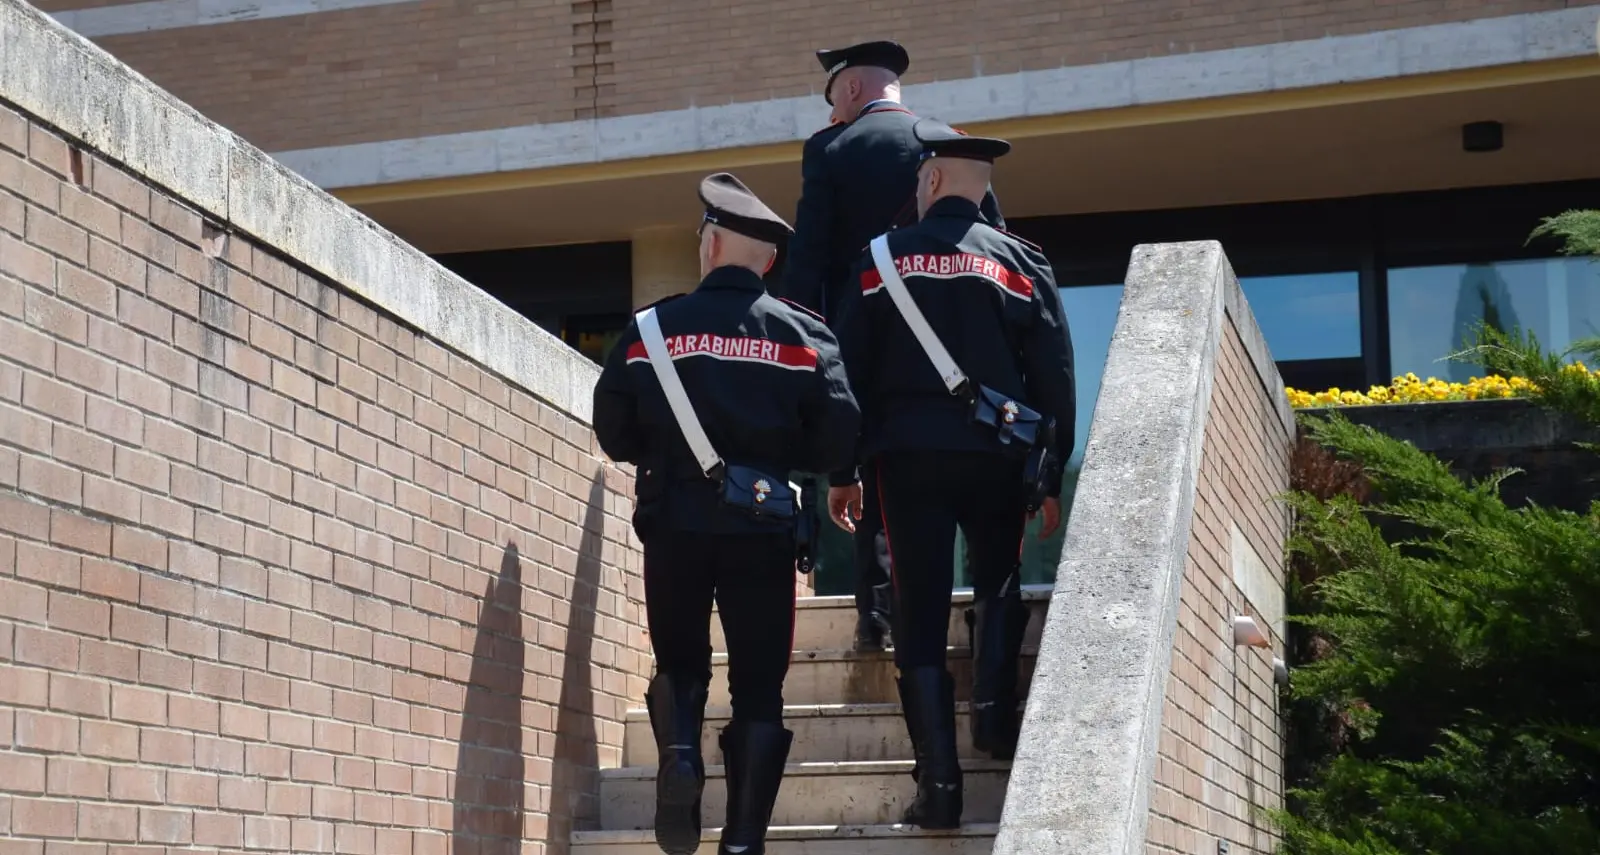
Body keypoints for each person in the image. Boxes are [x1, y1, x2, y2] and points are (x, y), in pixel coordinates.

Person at [593, 173, 861, 855]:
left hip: (674, 520)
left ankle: (681, 750)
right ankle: (742, 841)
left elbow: (614, 432)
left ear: (708, 246)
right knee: (759, 685)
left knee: (680, 659)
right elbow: (836, 437)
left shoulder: (650, 330)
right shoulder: (805, 335)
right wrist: (775, 451)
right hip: (762, 526)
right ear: (768, 261)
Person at [824, 120, 1075, 829]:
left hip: (907, 460)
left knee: (920, 610)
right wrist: (1050, 470)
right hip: (998, 455)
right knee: (998, 578)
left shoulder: (878, 260)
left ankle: (939, 787)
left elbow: (847, 375)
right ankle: (994, 723)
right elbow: (1053, 376)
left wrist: (843, 468)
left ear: (930, 181)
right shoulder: (1023, 261)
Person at [782, 39, 1006, 652]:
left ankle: (876, 616)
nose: (831, 113)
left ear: (851, 89)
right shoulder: (953, 142)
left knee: (879, 474)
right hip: (960, 357)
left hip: (872, 343)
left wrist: (802, 341)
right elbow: (995, 239)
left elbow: (808, 261)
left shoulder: (831, 148)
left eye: (833, 97)